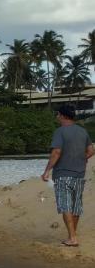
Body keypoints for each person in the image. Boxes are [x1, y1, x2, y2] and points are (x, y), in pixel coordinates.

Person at [41, 104, 95, 246]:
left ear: (63, 116)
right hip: (79, 174)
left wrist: (47, 170)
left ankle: (72, 238)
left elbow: (56, 152)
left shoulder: (60, 132)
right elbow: (91, 151)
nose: (57, 116)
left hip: (63, 174)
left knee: (66, 206)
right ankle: (72, 235)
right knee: (75, 207)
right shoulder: (83, 131)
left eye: (58, 114)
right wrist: (80, 159)